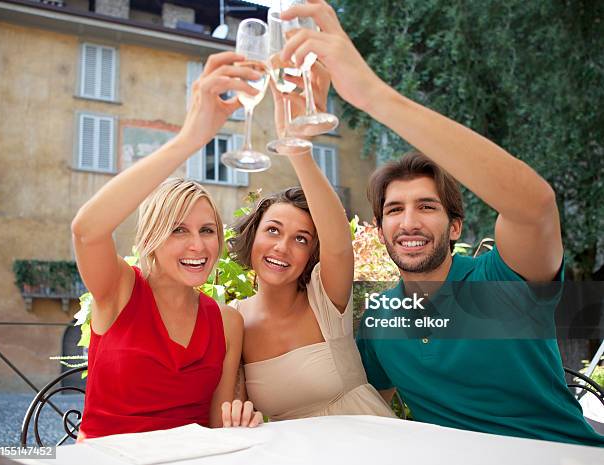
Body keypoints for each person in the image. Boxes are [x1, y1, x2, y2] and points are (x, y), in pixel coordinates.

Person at [280, 0, 604, 446]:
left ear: (455, 227)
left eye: (427, 207)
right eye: (395, 210)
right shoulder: (381, 318)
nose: (409, 222)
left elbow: (535, 206)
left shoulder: (505, 279)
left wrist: (373, 95)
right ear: (380, 228)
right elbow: (367, 404)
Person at [72, 52, 263, 439]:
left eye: (207, 230)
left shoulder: (227, 322)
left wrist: (236, 426)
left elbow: (215, 424)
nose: (198, 245)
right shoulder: (121, 290)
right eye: (178, 230)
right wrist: (190, 139)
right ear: (152, 238)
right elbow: (86, 230)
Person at [227, 70, 396, 421]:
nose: (282, 247)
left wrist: (298, 148)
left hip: (373, 446)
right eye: (273, 231)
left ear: (310, 255)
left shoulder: (325, 297)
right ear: (253, 235)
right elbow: (233, 408)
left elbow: (337, 244)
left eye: (301, 239)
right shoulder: (234, 321)